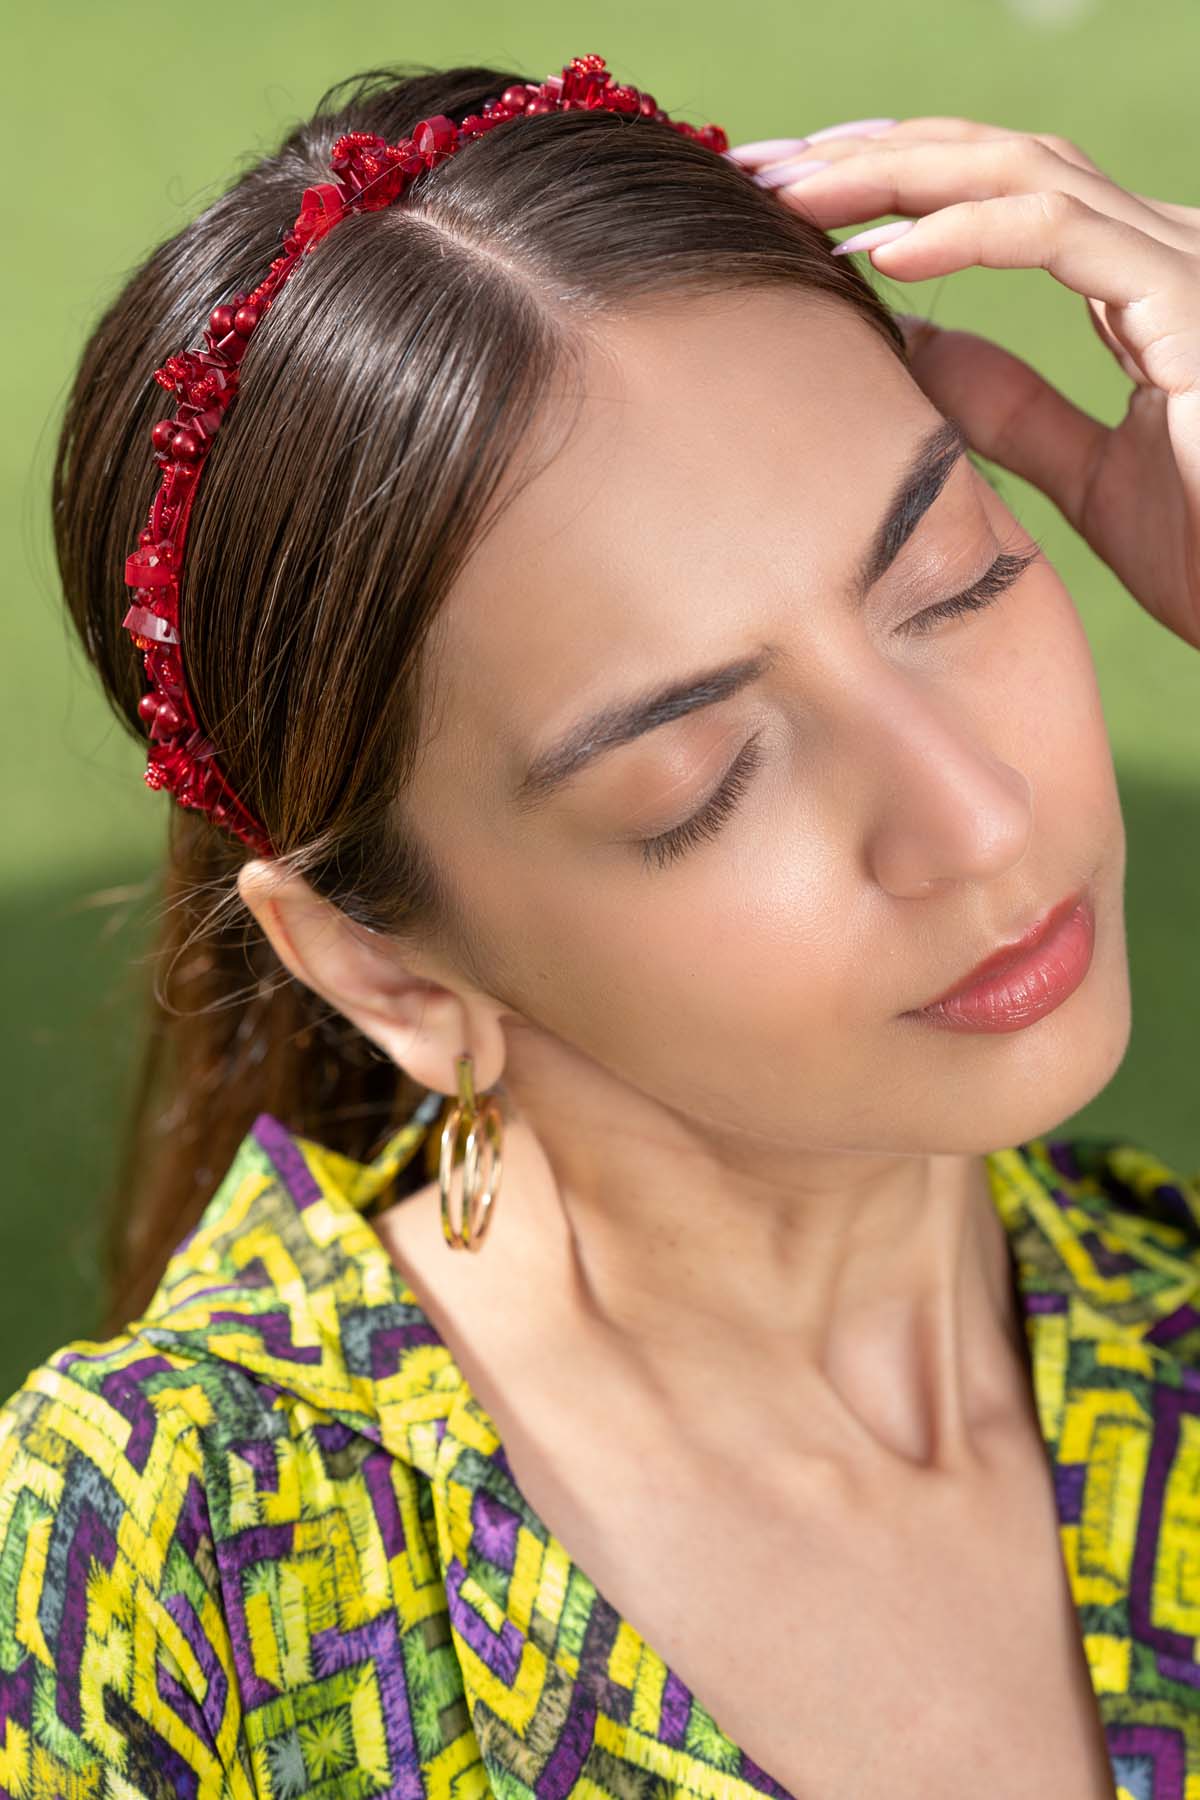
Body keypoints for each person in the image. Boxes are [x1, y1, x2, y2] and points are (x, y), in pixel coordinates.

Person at [1, 47, 1198, 1800]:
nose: (978, 818)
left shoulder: (1168, 1327)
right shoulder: (167, 1569)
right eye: (699, 780)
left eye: (960, 577)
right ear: (385, 966)